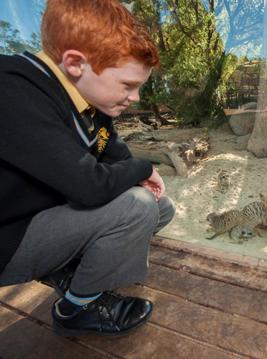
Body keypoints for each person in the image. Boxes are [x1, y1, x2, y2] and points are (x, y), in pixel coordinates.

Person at [0, 0, 176, 337]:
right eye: (127, 85)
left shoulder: (90, 102)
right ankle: (77, 309)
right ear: (76, 63)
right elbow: (90, 185)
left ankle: (69, 269)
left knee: (160, 208)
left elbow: (117, 157)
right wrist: (143, 168)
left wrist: (135, 171)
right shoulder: (12, 89)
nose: (135, 98)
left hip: (46, 216)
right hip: (9, 237)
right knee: (137, 208)